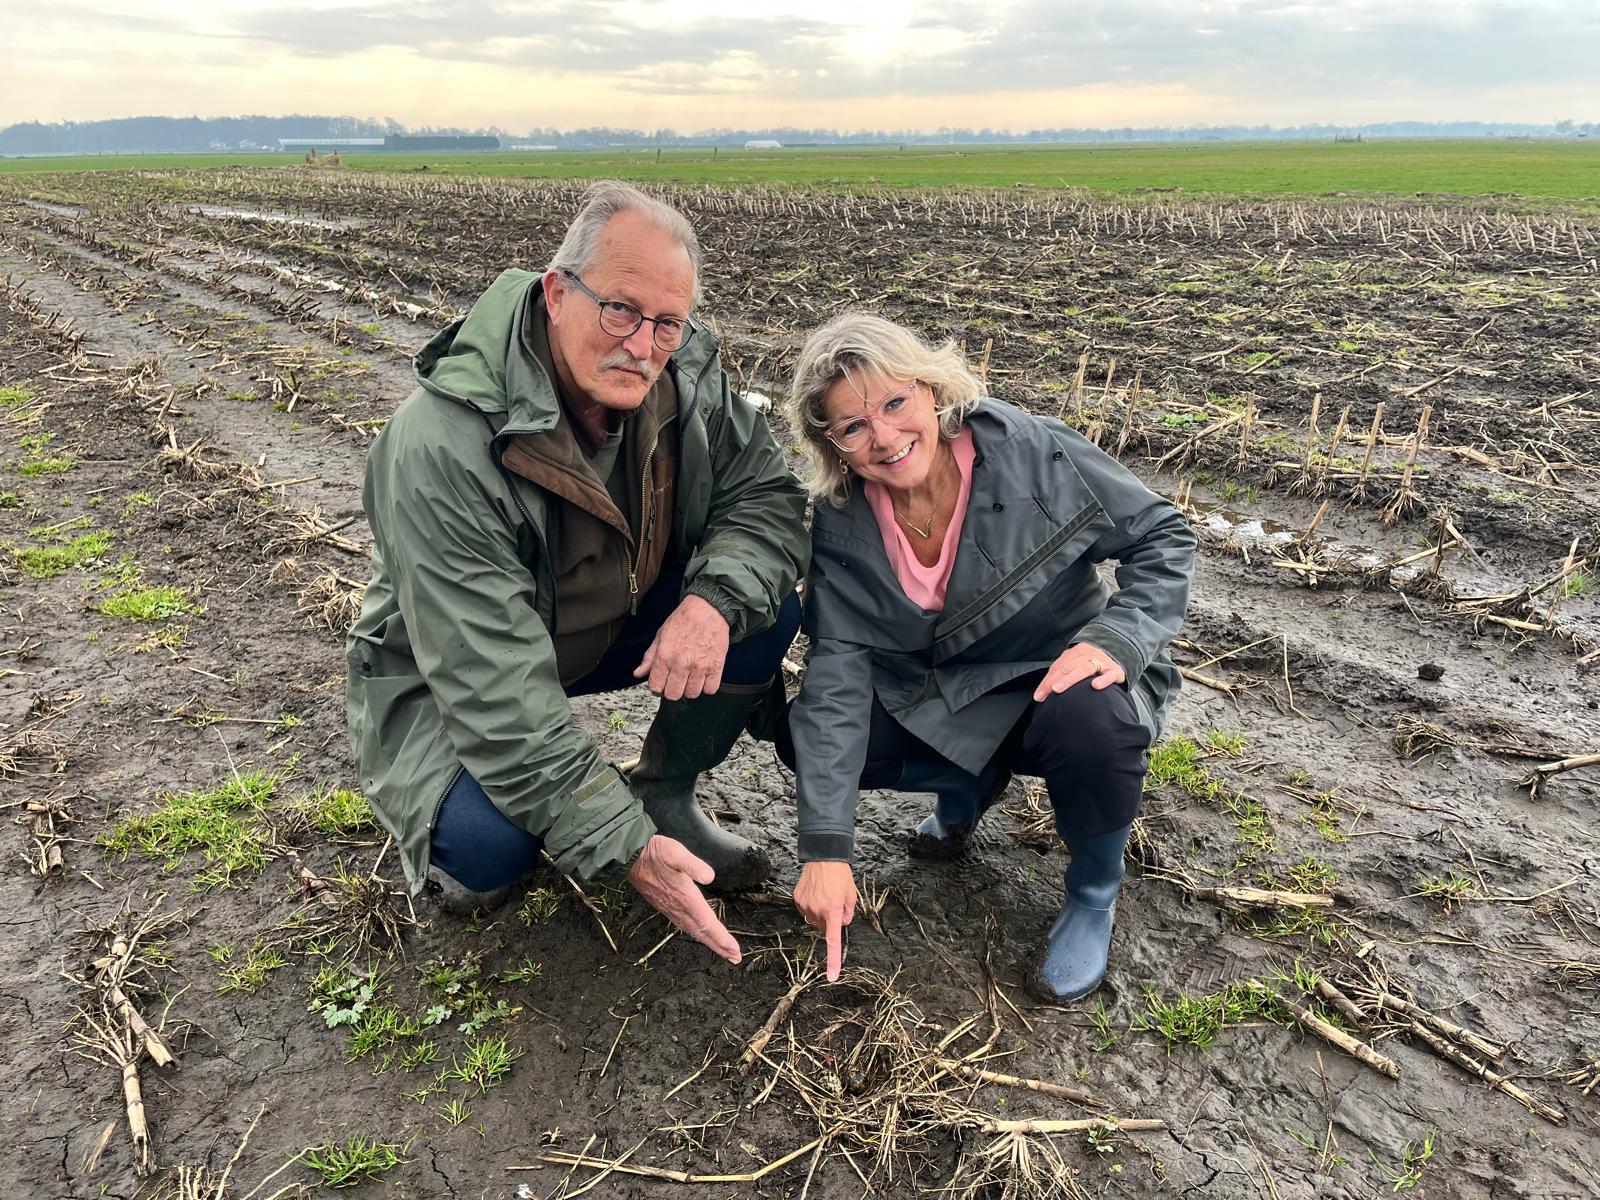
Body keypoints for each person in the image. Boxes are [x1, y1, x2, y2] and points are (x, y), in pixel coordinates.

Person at [346, 181, 809, 964]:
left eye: (668, 322)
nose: (643, 344)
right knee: (492, 851)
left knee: (761, 611)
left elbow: (765, 498)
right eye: (620, 309)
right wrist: (623, 850)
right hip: (456, 672)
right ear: (557, 292)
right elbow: (494, 685)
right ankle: (459, 834)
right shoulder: (440, 443)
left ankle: (662, 794)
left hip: (604, 622)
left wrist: (710, 604)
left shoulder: (685, 376)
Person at [779, 313, 1195, 999]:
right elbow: (837, 678)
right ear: (830, 444)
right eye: (852, 426)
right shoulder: (843, 522)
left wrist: (1117, 639)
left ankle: (1093, 892)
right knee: (810, 737)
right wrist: (826, 848)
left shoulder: (1031, 452)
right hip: (946, 696)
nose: (883, 436)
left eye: (894, 403)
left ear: (930, 390)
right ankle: (965, 790)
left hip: (1054, 678)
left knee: (1091, 717)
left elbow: (1163, 535)